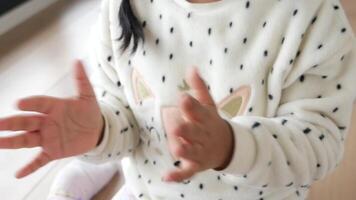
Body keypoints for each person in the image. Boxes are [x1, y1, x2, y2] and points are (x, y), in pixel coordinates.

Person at [1, 0, 356, 199]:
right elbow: (127, 123)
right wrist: (98, 131)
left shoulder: (310, 17)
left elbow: (317, 145)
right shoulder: (120, 8)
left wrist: (233, 147)